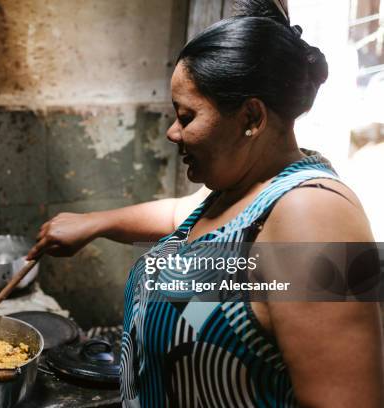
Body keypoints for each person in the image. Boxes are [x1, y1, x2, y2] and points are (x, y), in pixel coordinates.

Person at [28, 0, 383, 406]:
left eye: (187, 116)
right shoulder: (236, 190)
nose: (172, 133)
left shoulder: (316, 218)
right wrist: (94, 223)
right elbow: (183, 215)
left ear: (251, 117)